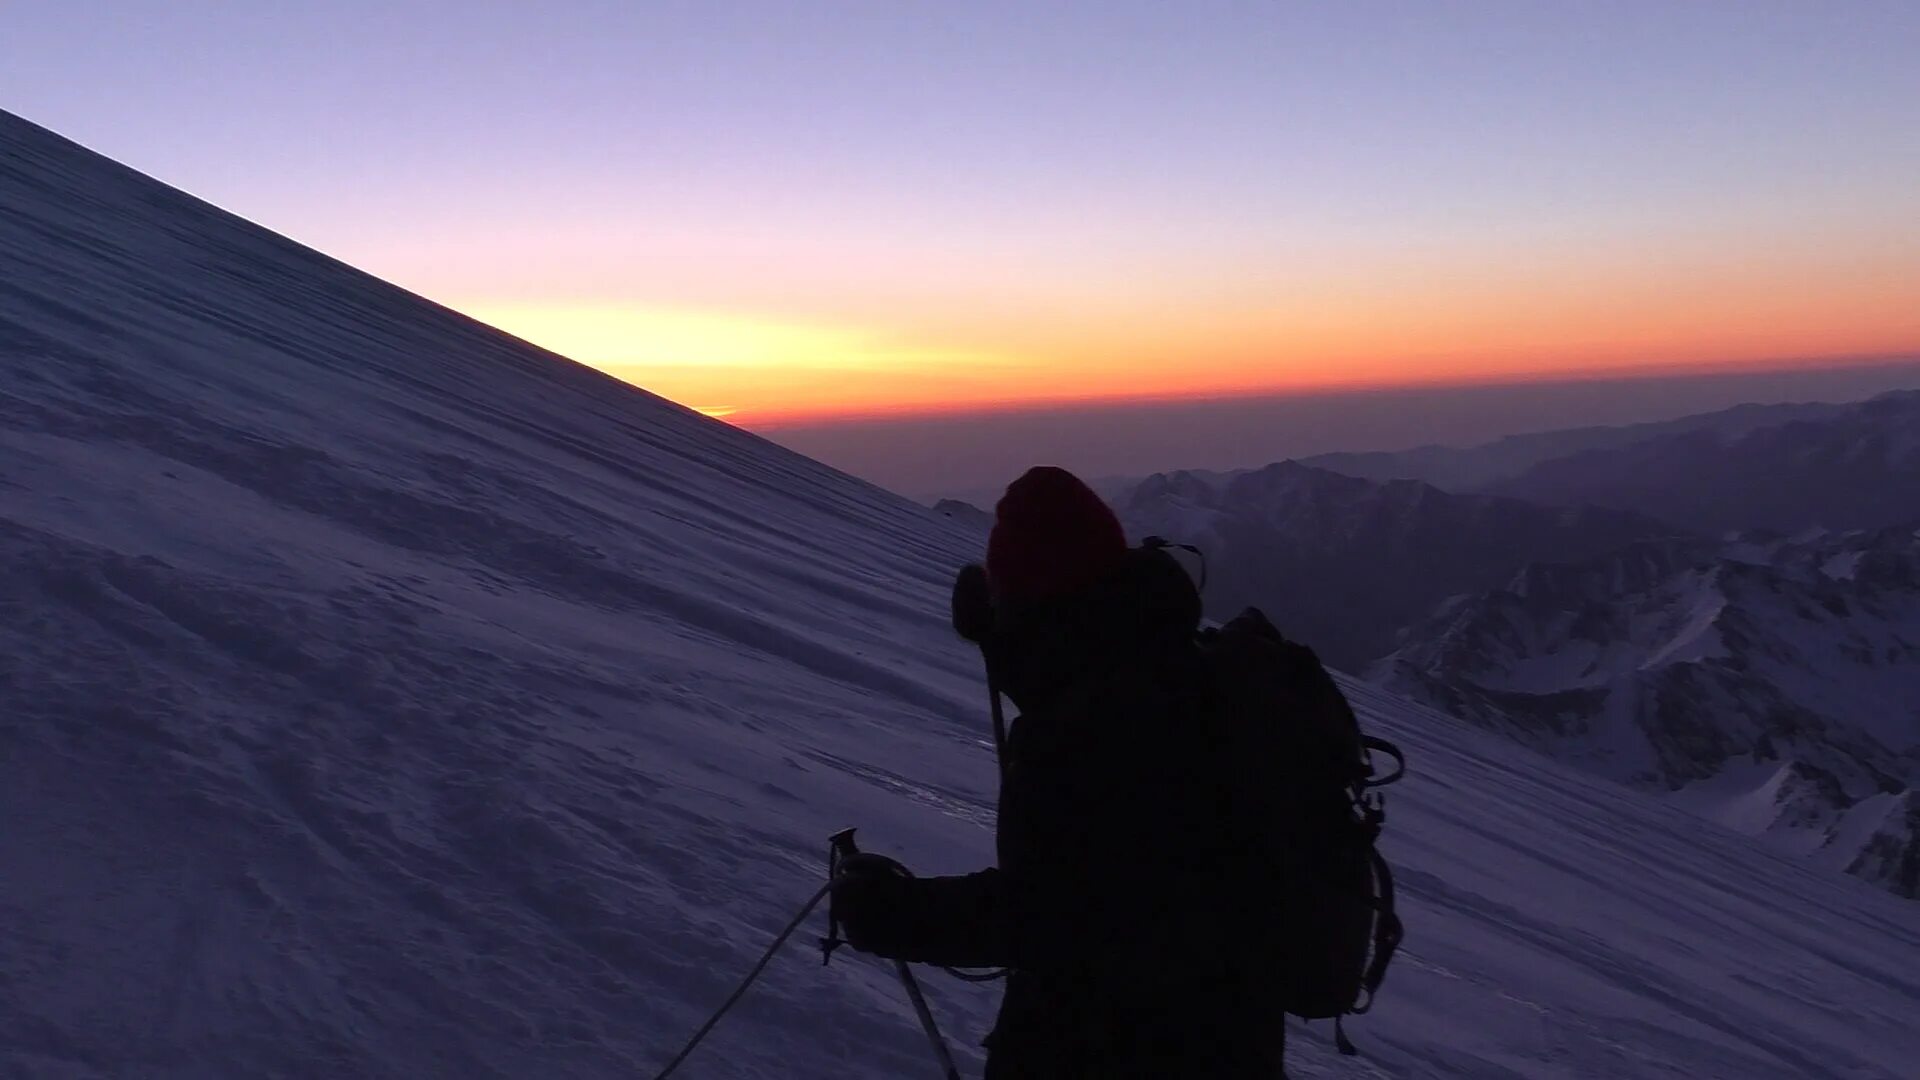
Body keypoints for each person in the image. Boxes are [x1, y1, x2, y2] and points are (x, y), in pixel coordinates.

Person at [831, 466, 1288, 1078]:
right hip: (1227, 1039)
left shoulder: (1096, 722)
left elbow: (1059, 913)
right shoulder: (1168, 668)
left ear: (1036, 606)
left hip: (1121, 1046)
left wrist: (897, 914)